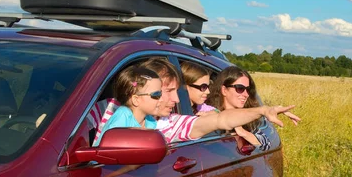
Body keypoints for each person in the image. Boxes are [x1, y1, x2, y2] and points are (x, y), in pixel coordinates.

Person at [88, 57, 296, 147]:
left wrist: (262, 110)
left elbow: (220, 121)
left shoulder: (164, 123)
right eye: (168, 91)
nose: (177, 99)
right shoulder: (105, 109)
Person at [206, 66, 301, 150]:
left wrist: (243, 133)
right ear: (224, 90)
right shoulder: (209, 113)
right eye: (240, 88)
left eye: (248, 90)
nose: (246, 94)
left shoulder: (247, 117)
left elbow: (266, 144)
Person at [95, 66, 162, 143]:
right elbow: (111, 148)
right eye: (156, 95)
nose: (162, 100)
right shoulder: (122, 116)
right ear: (136, 100)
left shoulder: (151, 121)